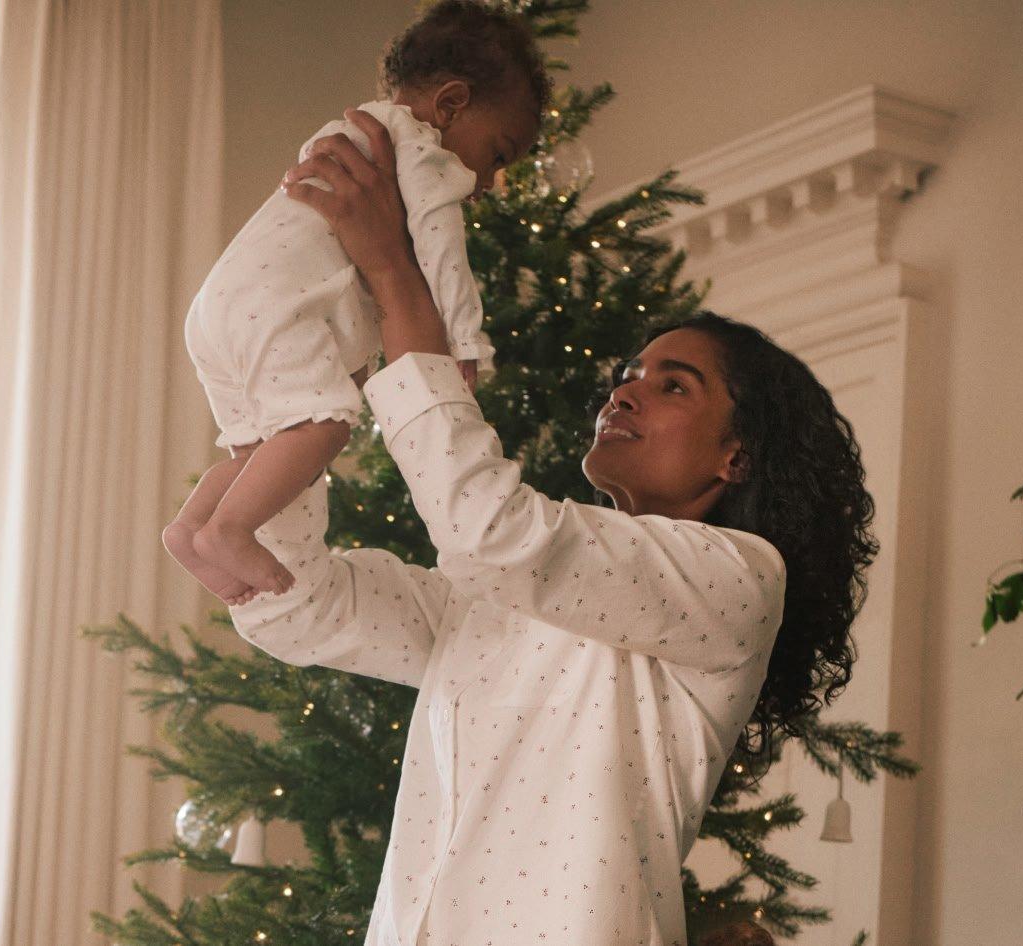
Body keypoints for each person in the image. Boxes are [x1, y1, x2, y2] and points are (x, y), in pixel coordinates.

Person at [228, 100, 877, 946]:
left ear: (738, 458)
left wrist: (393, 272)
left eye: (673, 386)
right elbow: (304, 606)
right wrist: (283, 405)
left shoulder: (739, 577)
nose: (625, 392)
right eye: (627, 375)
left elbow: (491, 533)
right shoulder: (499, 602)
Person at [162, 0, 548, 605]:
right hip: (273, 306)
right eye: (498, 155)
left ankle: (192, 528)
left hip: (219, 307)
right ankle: (226, 530)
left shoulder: (350, 134)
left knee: (266, 452)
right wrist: (463, 342)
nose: (490, 182)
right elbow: (443, 253)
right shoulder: (422, 151)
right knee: (323, 426)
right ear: (451, 104)